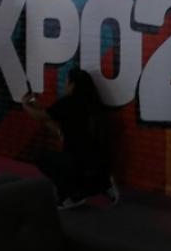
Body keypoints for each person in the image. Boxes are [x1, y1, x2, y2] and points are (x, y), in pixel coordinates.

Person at [22, 67, 119, 210]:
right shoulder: (94, 103)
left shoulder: (68, 102)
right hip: (99, 163)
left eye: (66, 82)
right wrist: (37, 106)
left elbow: (41, 116)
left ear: (73, 85)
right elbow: (54, 123)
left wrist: (25, 105)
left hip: (77, 162)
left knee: (42, 158)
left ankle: (72, 197)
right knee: (74, 165)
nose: (65, 85)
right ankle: (104, 185)